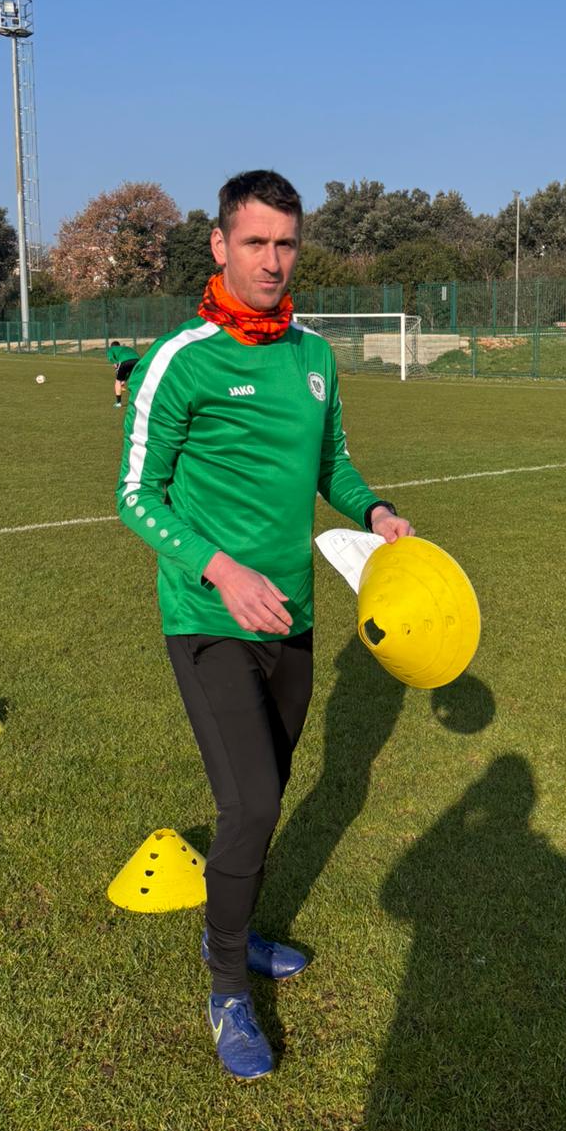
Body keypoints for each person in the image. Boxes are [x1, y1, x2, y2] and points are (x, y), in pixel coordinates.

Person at [115, 169, 413, 1081]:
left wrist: (376, 512)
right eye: (256, 242)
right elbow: (136, 495)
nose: (273, 260)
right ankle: (226, 990)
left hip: (293, 619)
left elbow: (333, 464)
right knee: (251, 803)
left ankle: (238, 929)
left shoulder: (315, 357)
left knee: (266, 792)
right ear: (220, 245)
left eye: (286, 243)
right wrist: (221, 567)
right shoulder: (181, 358)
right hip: (207, 614)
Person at [108, 340, 140, 408]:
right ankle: (139, 401)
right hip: (138, 361)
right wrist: (124, 380)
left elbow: (111, 358)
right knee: (136, 381)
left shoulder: (111, 349)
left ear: (111, 346)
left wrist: (115, 363)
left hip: (125, 362)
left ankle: (118, 403)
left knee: (118, 381)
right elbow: (129, 371)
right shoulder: (127, 348)